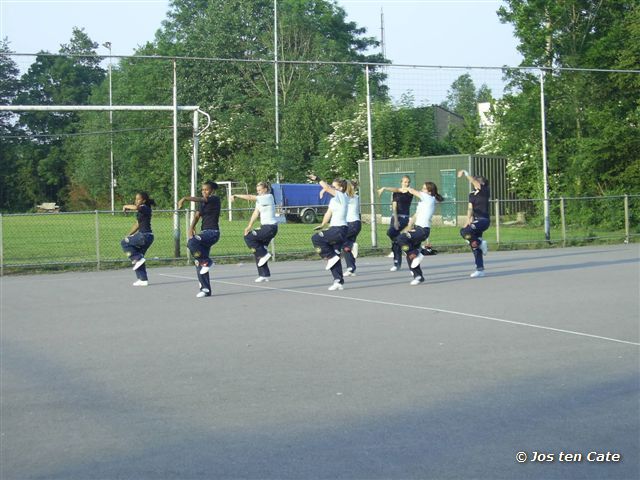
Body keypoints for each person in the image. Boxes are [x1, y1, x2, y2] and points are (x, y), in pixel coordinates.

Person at [178, 181, 221, 298]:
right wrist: (191, 228)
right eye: (202, 190)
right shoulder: (202, 203)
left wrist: (184, 198)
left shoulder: (214, 199)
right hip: (204, 233)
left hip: (212, 233)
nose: (204, 192)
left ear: (212, 190)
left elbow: (202, 199)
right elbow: (197, 216)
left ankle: (209, 262)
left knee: (192, 242)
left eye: (206, 190)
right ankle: (205, 289)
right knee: (199, 261)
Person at [396, 182, 443, 285]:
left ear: (429, 191)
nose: (422, 190)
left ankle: (418, 253)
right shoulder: (423, 203)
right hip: (418, 229)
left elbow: (413, 191)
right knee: (409, 253)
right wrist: (408, 228)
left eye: (424, 189)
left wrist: (404, 188)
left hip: (422, 230)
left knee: (400, 239)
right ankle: (418, 276)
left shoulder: (429, 198)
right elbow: (415, 216)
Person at [308, 174, 349, 291]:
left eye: (334, 186)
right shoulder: (333, 200)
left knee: (316, 238)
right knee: (335, 255)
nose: (332, 188)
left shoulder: (342, 196)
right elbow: (328, 213)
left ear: (340, 188)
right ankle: (338, 281)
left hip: (339, 229)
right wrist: (322, 224)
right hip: (335, 229)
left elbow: (326, 188)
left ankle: (329, 257)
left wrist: (318, 179)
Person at [231, 181, 278, 283]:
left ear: (265, 189)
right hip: (265, 227)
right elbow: (256, 213)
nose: (258, 192)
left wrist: (236, 195)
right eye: (257, 191)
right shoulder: (260, 200)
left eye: (260, 190)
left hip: (270, 227)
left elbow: (250, 197)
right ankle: (263, 275)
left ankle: (265, 254)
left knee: (248, 237)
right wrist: (249, 226)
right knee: (258, 250)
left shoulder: (268, 197)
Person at [377, 175, 414, 272]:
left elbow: (400, 190)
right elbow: (394, 207)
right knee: (395, 242)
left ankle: (406, 247)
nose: (407, 183)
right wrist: (384, 188)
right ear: (401, 182)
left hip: (404, 218)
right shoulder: (395, 193)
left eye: (408, 182)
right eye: (405, 182)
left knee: (391, 234)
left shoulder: (410, 192)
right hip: (395, 218)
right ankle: (397, 263)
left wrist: (385, 188)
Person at [458, 170, 490, 277]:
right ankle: (480, 269)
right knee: (473, 244)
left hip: (483, 220)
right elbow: (470, 208)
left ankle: (481, 243)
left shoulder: (485, 190)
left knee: (468, 233)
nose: (474, 182)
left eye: (477, 181)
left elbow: (473, 181)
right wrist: (467, 220)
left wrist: (465, 172)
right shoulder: (471, 194)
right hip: (475, 220)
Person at [121, 191, 155, 286]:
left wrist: (126, 206)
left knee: (124, 243)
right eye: (135, 199)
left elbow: (136, 207)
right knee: (138, 258)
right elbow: (137, 225)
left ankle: (137, 258)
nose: (136, 201)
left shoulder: (144, 207)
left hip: (144, 236)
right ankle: (143, 279)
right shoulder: (141, 210)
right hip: (145, 236)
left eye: (138, 199)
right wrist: (129, 235)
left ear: (143, 200)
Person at [343, 180, 361, 276]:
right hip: (355, 224)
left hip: (352, 224)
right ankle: (351, 268)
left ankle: (352, 245)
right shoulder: (355, 197)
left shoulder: (348, 197)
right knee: (346, 248)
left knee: (344, 242)